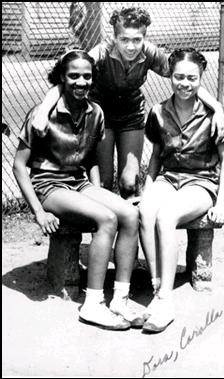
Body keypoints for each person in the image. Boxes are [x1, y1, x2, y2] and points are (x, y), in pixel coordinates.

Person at [31, 6, 224, 201]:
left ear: (144, 37)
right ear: (115, 37)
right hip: (101, 116)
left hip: (131, 114)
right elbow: (63, 81)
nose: (131, 47)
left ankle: (132, 228)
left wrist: (216, 107)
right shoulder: (102, 52)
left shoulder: (149, 52)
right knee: (104, 183)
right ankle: (105, 226)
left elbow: (184, 79)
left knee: (129, 183)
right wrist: (43, 111)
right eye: (124, 39)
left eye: (137, 40)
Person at [13, 49, 144, 331]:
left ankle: (120, 298)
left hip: (78, 182)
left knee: (130, 215)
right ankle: (93, 304)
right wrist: (38, 211)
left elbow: (92, 158)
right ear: (62, 77)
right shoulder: (41, 114)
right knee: (107, 219)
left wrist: (98, 194)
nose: (81, 82)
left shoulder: (94, 112)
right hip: (48, 185)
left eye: (87, 76)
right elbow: (19, 166)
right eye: (73, 76)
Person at [139, 48, 224, 333]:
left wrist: (221, 202)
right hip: (169, 178)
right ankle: (158, 286)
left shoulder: (213, 113)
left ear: (200, 78)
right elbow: (156, 156)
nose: (185, 83)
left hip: (200, 182)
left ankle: (165, 301)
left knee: (166, 216)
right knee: (145, 210)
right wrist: (148, 187)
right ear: (170, 76)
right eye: (179, 76)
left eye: (192, 78)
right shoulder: (158, 111)